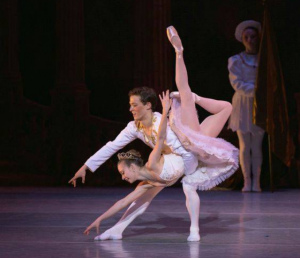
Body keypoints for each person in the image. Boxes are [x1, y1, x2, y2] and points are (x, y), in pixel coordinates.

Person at [82, 26, 239, 241]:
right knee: (151, 195)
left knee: (214, 103)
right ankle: (118, 230)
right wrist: (87, 166)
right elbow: (113, 148)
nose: (130, 109)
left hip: (190, 145)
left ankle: (180, 55)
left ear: (147, 105)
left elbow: (167, 140)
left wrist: (176, 127)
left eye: (134, 105)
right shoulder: (136, 134)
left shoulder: (157, 136)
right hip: (181, 157)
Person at [228, 20, 265, 192]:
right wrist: (256, 90)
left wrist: (261, 93)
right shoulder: (236, 60)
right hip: (243, 102)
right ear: (242, 39)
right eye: (246, 37)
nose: (250, 40)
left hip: (259, 103)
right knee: (244, 144)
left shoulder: (265, 60)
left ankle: (256, 181)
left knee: (257, 144)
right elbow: (237, 83)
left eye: (253, 37)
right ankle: (246, 182)